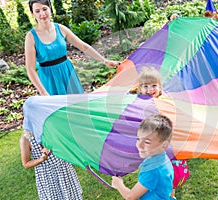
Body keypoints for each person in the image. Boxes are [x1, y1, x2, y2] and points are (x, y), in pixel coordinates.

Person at [26, 0, 120, 96]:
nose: (42, 14)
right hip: (49, 80)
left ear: (50, 8)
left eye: (45, 9)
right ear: (32, 13)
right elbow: (30, 69)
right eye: (37, 11)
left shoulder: (60, 29)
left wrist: (104, 61)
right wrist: (43, 92)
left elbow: (83, 47)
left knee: (76, 107)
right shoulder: (31, 37)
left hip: (67, 73)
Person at [129, 67, 190, 199]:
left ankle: (170, 195)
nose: (150, 89)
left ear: (160, 88)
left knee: (169, 177)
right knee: (160, 175)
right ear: (140, 89)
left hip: (169, 148)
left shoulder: (165, 103)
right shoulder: (138, 104)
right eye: (145, 86)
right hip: (155, 148)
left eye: (154, 85)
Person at [112, 114, 175, 200]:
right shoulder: (164, 159)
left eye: (147, 142)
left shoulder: (152, 171)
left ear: (164, 145)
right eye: (138, 139)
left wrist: (118, 184)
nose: (139, 145)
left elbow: (130, 197)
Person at [20, 130, 83, 199]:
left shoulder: (51, 128)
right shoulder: (26, 139)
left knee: (73, 196)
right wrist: (41, 159)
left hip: (64, 170)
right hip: (47, 176)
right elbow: (26, 163)